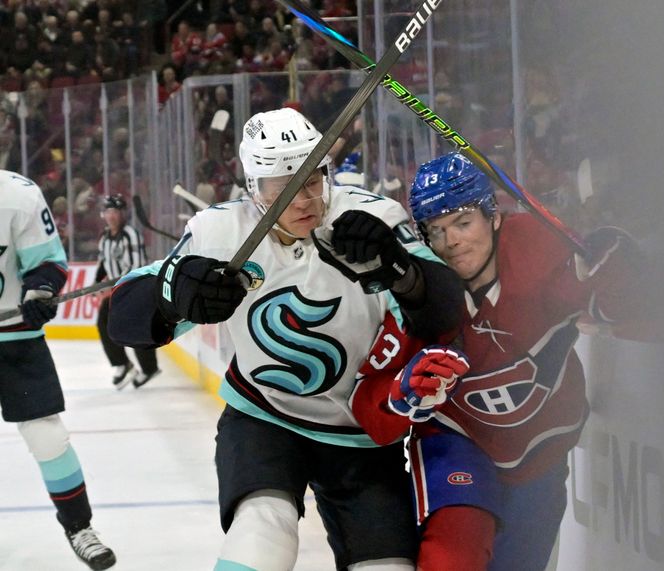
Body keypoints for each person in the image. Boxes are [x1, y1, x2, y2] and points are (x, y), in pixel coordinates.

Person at [107, 108, 465, 570]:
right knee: (262, 530)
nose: (304, 200)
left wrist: (400, 267)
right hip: (264, 419)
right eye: (283, 188)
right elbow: (123, 318)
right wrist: (175, 295)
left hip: (358, 437)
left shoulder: (372, 219)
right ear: (254, 189)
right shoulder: (222, 233)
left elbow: (445, 313)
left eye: (313, 179)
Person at [396, 153, 643, 570]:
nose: (451, 242)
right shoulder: (423, 275)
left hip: (539, 449)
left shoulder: (535, 243)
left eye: (462, 222)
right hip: (458, 438)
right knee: (453, 557)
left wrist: (613, 276)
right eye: (436, 230)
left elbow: (597, 302)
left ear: (493, 216)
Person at [0, 170, 116, 570]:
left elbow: (47, 263)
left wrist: (39, 292)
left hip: (13, 338)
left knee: (47, 437)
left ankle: (78, 526)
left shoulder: (17, 196)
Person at [94, 194, 160, 389]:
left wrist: (114, 289)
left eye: (115, 211)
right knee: (104, 323)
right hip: (119, 292)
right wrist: (96, 283)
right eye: (108, 211)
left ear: (123, 214)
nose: (111, 216)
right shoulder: (105, 238)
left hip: (137, 289)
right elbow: (103, 264)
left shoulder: (131, 235)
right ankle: (123, 364)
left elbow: (135, 268)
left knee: (137, 329)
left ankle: (147, 368)